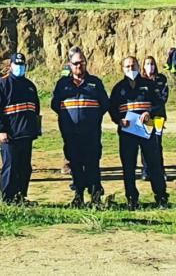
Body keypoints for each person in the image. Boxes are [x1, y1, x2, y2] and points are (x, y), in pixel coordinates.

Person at [51, 47, 109, 208]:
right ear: (70, 65)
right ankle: (78, 196)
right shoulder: (63, 84)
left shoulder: (95, 83)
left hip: (91, 134)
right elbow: (55, 105)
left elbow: (105, 104)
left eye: (82, 63)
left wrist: (90, 118)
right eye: (76, 63)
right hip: (71, 134)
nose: (79, 66)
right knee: (75, 164)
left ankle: (95, 196)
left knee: (92, 164)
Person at [109, 56, 169, 210]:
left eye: (133, 66)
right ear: (123, 69)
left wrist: (149, 112)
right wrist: (118, 120)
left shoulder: (149, 85)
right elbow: (112, 109)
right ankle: (131, 198)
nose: (131, 69)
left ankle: (161, 197)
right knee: (128, 166)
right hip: (127, 131)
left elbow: (159, 105)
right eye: (127, 67)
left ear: (138, 66)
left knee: (154, 164)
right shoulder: (118, 88)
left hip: (147, 129)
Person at [0, 53, 41, 204]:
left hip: (26, 134)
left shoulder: (29, 86)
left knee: (24, 167)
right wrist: (1, 130)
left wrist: (34, 129)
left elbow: (35, 109)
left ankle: (20, 196)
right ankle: (6, 198)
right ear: (10, 66)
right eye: (17, 64)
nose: (20, 67)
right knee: (10, 166)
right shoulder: (3, 85)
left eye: (22, 65)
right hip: (10, 134)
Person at [140, 55, 169, 181]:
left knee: (157, 144)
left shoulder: (161, 79)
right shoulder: (140, 81)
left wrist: (150, 110)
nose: (149, 66)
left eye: (151, 64)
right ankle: (146, 170)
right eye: (147, 64)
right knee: (145, 143)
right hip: (145, 118)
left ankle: (160, 170)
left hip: (158, 116)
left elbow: (163, 99)